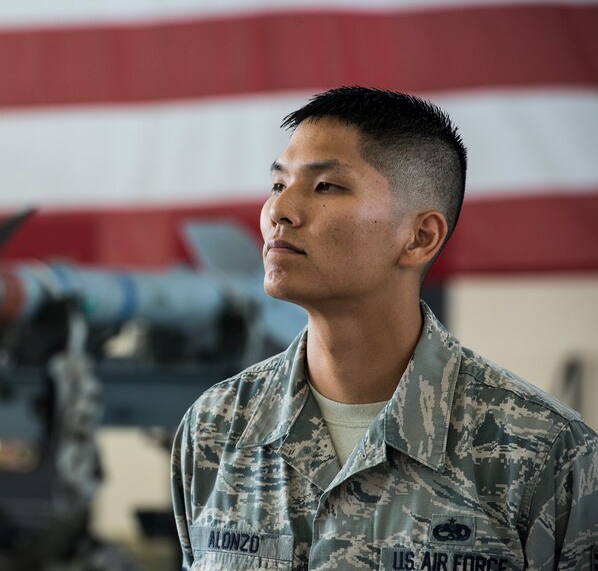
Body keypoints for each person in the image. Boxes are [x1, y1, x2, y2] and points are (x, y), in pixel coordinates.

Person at [170, 87, 598, 570]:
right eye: (276, 185)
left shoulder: (542, 453)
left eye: (326, 186)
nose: (279, 212)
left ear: (419, 237)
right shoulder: (217, 430)